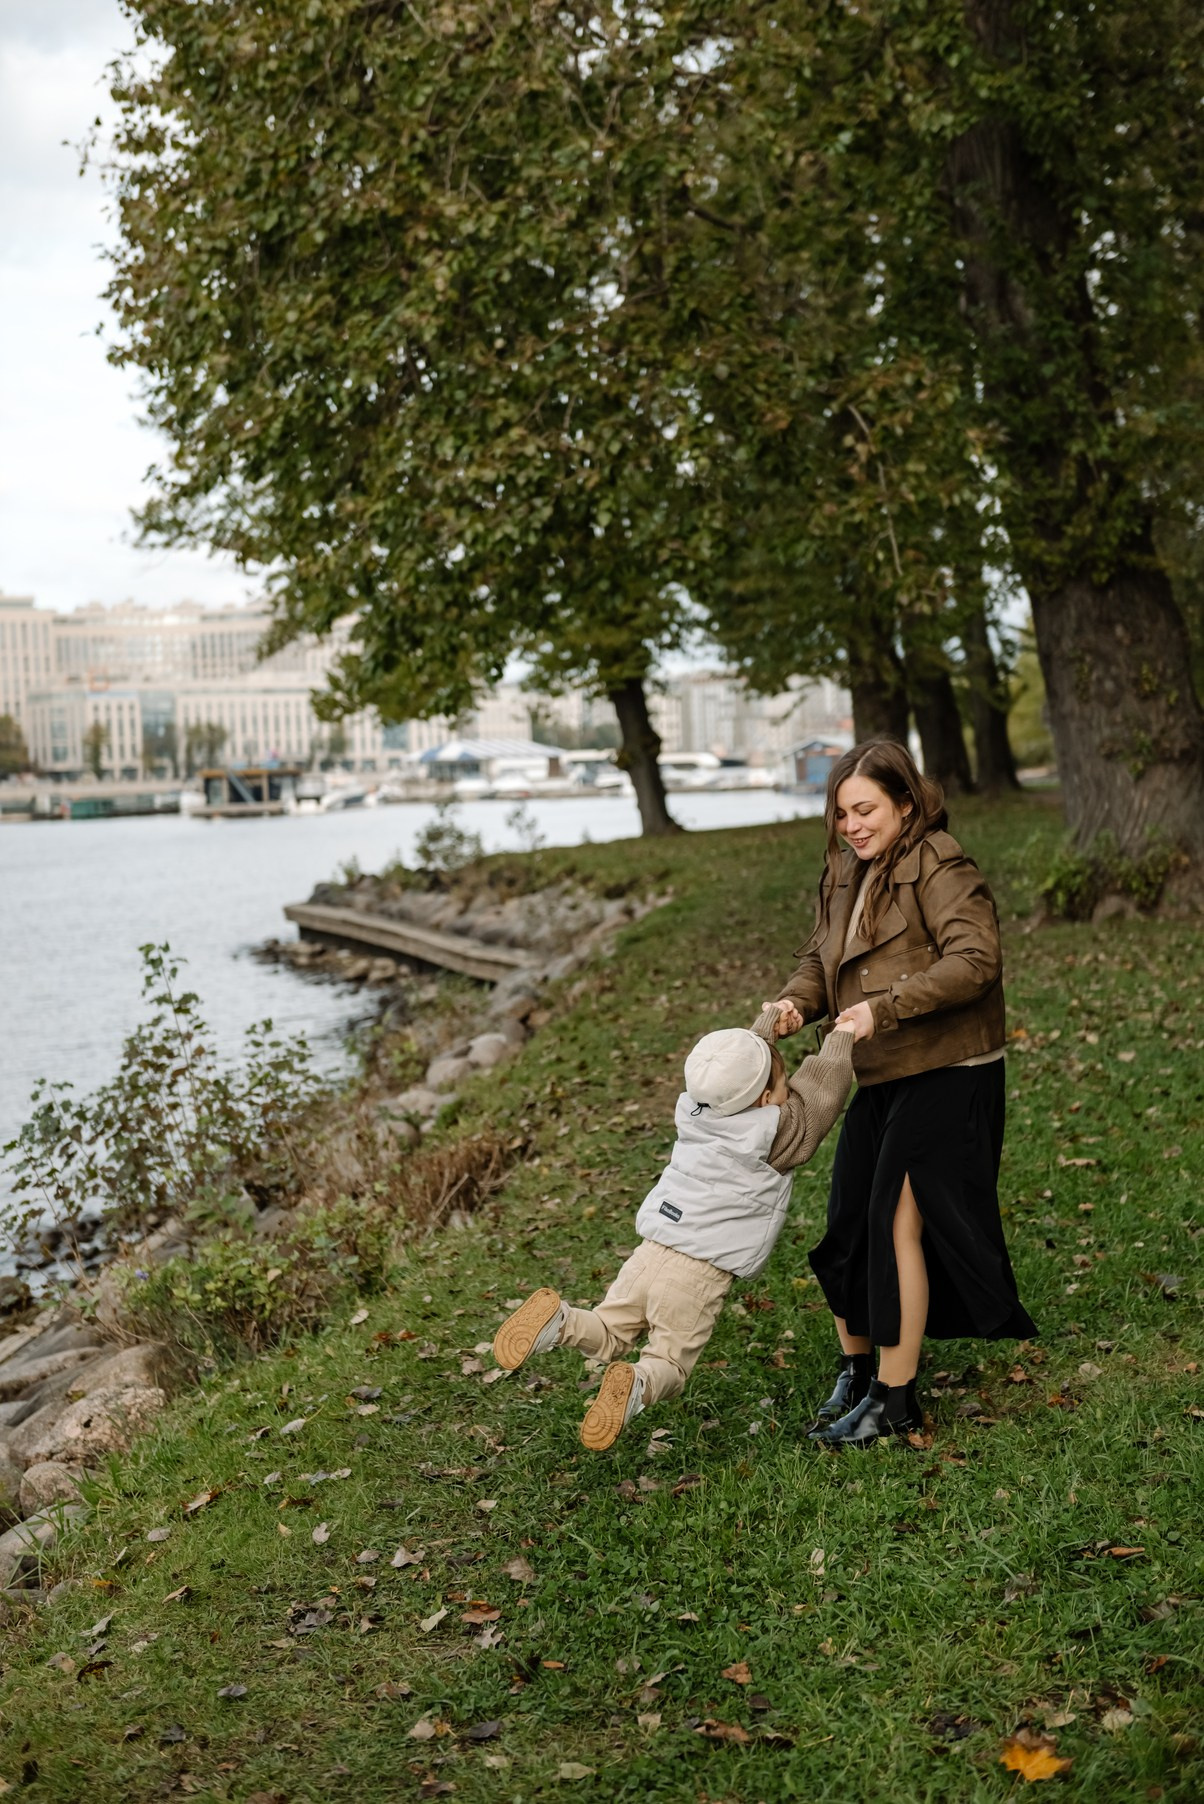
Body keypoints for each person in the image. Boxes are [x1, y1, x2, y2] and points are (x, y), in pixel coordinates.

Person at [763, 737, 1037, 1448]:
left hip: (950, 1069)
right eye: (842, 812)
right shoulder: (845, 871)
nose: (852, 825)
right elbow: (822, 963)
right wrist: (796, 1005)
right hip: (883, 1070)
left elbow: (976, 960)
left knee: (895, 1224)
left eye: (866, 810)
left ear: (906, 804)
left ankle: (896, 1399)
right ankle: (857, 1375)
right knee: (846, 1226)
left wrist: (884, 1007)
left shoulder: (938, 864)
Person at [491, 1012, 862, 1449]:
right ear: (764, 1099)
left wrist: (764, 1027)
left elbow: (733, 1069)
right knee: (669, 1361)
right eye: (781, 1091)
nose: (786, 1098)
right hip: (699, 1273)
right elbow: (820, 1099)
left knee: (610, 1330)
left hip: (653, 1248)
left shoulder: (695, 1109)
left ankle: (560, 1321)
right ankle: (639, 1384)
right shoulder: (772, 1134)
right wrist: (842, 1039)